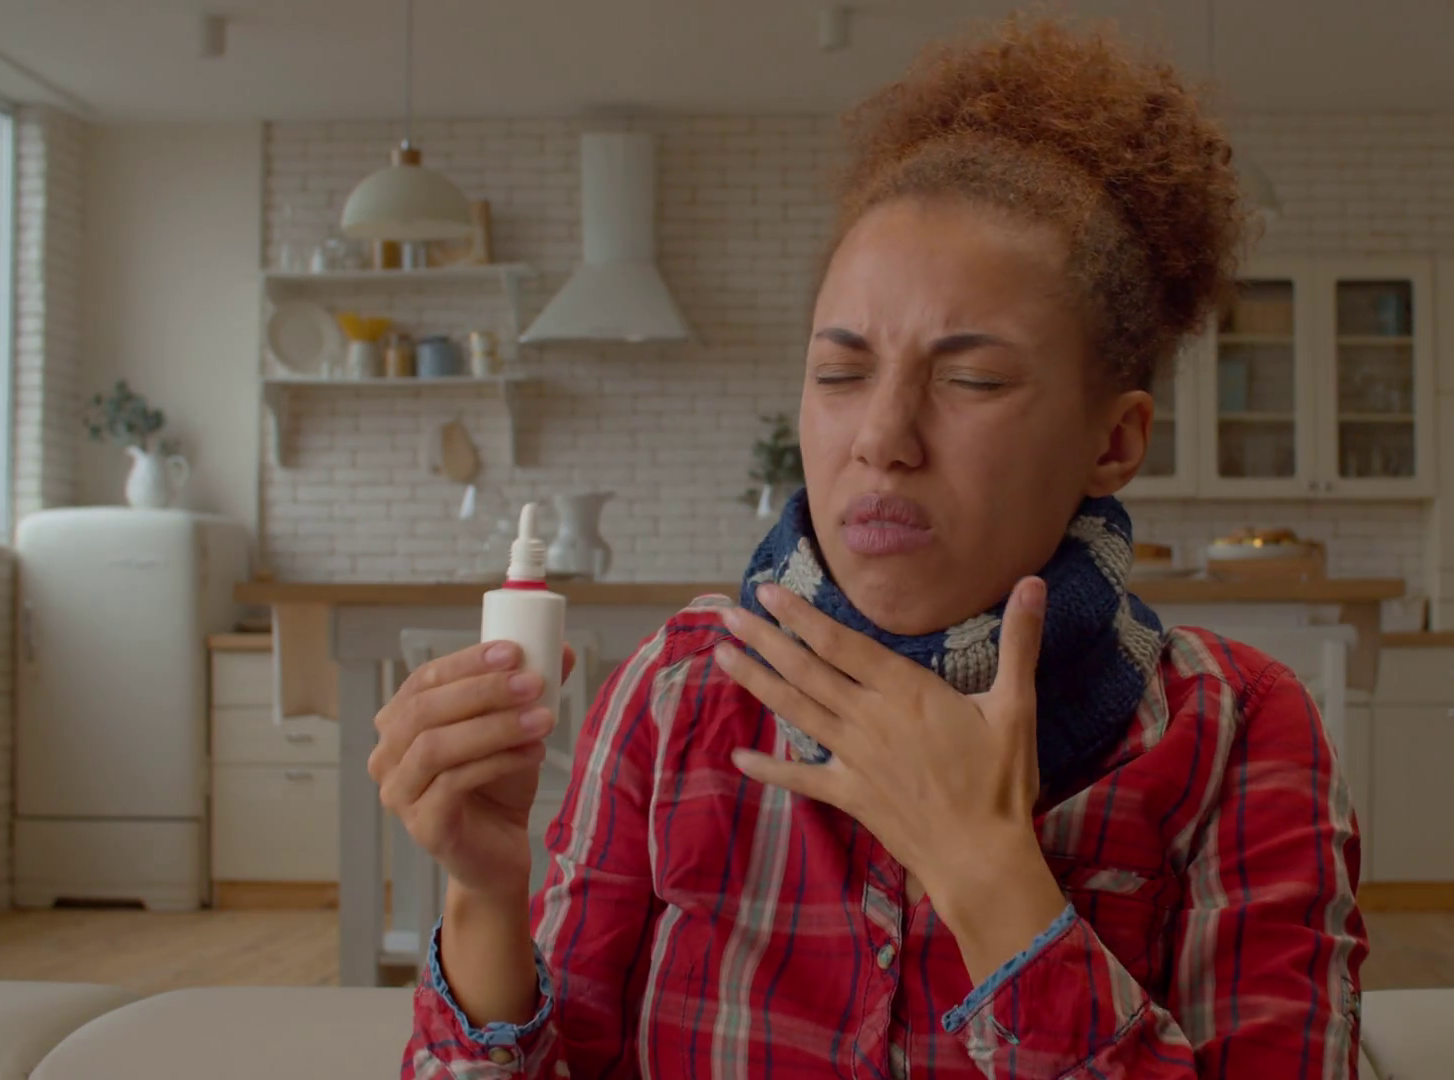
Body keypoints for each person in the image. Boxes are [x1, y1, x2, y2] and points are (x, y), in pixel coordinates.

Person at [371, 15, 1366, 1079]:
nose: (882, 439)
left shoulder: (1234, 735)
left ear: (1114, 442)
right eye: (840, 375)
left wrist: (989, 873)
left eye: (972, 379)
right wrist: (484, 895)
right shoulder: (676, 699)